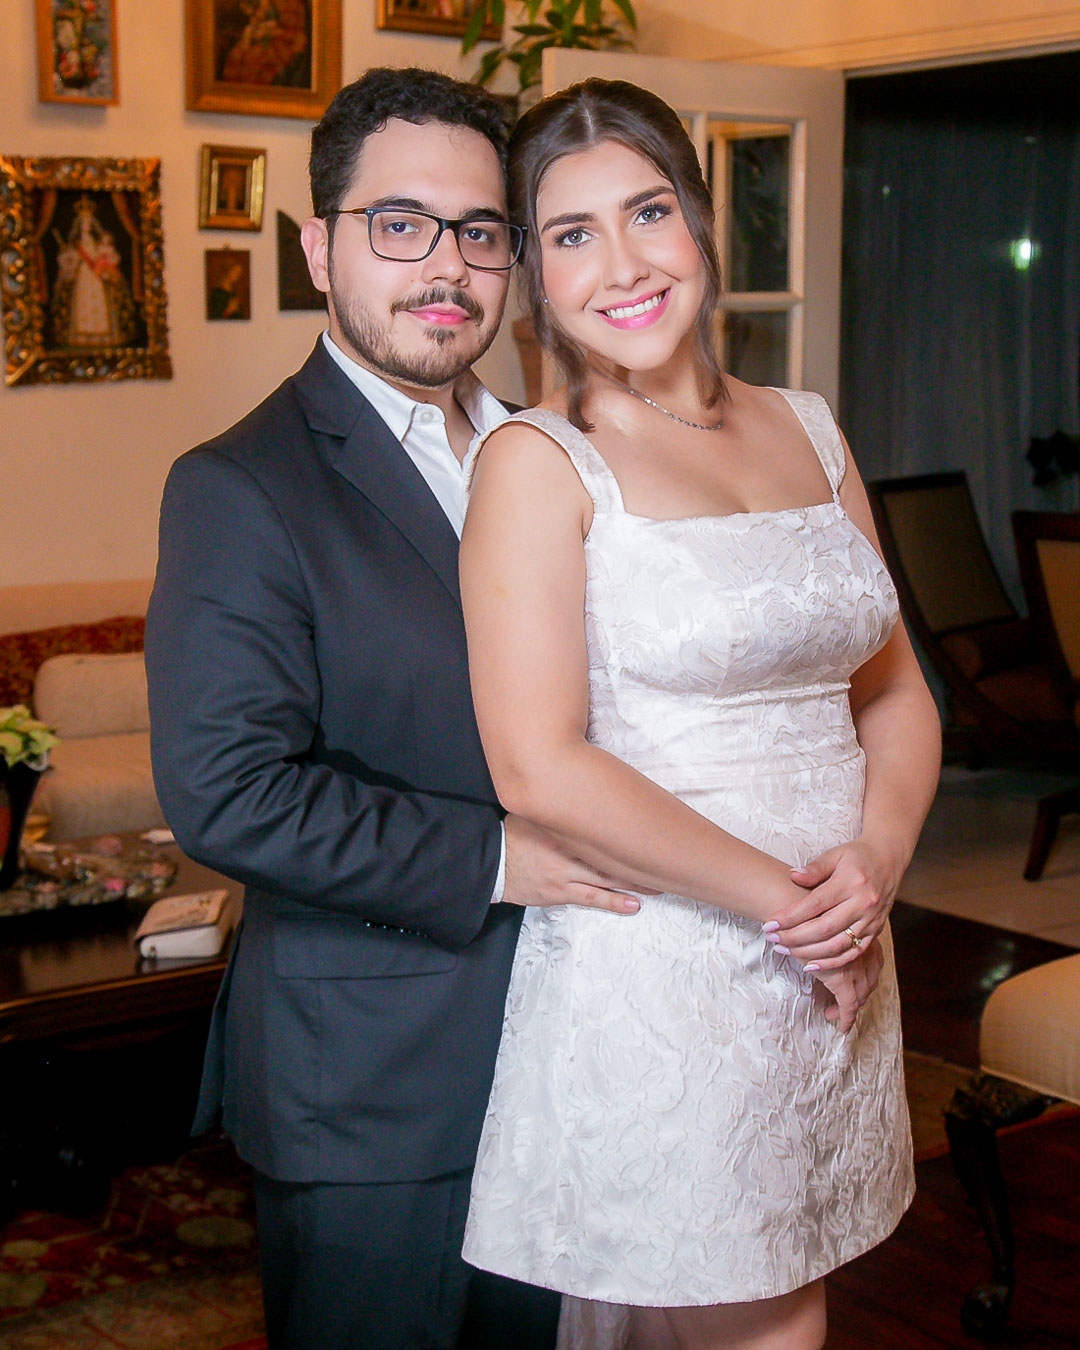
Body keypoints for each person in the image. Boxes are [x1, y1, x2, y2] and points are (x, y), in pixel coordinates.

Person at [145, 67, 641, 1350]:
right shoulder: (240, 486)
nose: (448, 269)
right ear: (322, 249)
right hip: (373, 1085)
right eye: (400, 224)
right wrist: (498, 858)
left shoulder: (559, 455)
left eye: (480, 232)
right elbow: (230, 793)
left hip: (583, 1050)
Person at [458, 79, 942, 1350]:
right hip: (674, 968)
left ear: (701, 220)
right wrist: (798, 913)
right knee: (766, 1326)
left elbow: (893, 690)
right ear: (535, 276)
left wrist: (876, 864)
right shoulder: (535, 462)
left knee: (794, 1300)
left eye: (649, 211)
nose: (623, 266)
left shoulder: (811, 429)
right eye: (572, 235)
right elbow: (540, 767)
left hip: (838, 948)